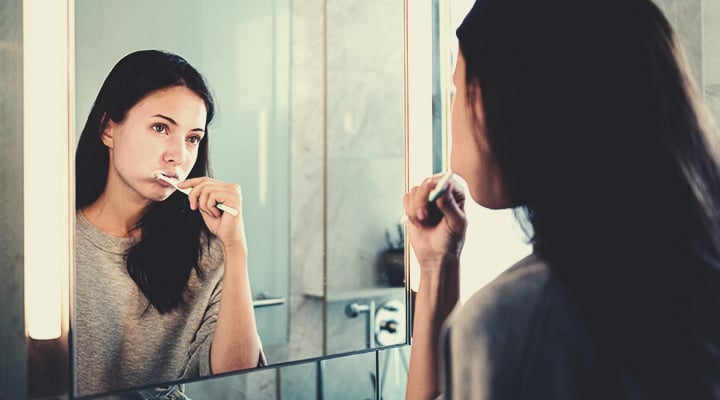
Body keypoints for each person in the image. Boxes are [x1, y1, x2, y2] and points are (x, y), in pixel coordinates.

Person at [403, 0, 720, 398]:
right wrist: (437, 268)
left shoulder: (517, 324)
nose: (451, 110)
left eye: (457, 86)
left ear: (507, 100)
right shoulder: (681, 272)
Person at [74, 50, 266, 397]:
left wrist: (236, 249)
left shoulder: (206, 248)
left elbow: (236, 373)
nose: (178, 156)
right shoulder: (49, 235)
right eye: (160, 128)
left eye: (192, 138)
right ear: (107, 129)